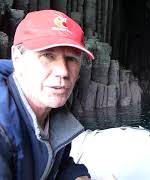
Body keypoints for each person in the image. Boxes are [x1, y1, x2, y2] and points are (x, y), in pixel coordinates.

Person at [0, 9, 94, 179]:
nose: (63, 71)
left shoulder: (52, 110)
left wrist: (75, 176)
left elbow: (57, 165)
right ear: (17, 58)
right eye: (47, 55)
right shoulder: (2, 130)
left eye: (72, 58)